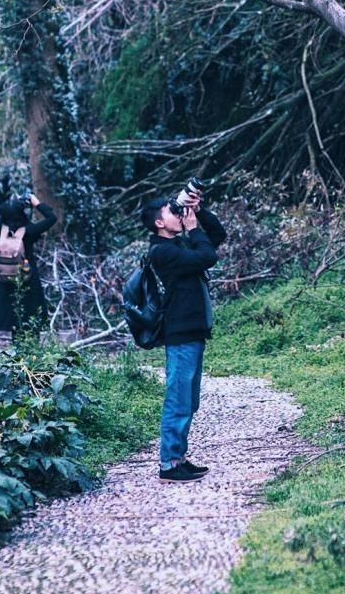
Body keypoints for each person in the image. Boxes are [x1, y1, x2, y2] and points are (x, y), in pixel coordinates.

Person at [140, 190, 226, 483]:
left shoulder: (178, 245)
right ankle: (168, 463)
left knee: (188, 401)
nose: (177, 214)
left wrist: (198, 212)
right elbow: (208, 256)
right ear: (159, 224)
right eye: (170, 211)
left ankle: (180, 457)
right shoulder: (162, 252)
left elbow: (217, 235)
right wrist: (191, 229)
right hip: (179, 333)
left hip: (192, 331)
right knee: (178, 399)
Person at [0, 192, 57, 338]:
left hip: (5, 278)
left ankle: (17, 350)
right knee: (31, 311)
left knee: (14, 314)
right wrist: (36, 203)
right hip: (27, 276)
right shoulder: (29, 231)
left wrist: (10, 205)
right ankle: (32, 348)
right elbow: (52, 218)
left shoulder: (1, 230)